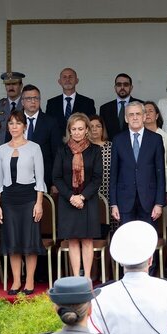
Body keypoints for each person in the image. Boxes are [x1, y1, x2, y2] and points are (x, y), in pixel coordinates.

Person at [0, 110, 46, 295]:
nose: (14, 127)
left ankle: (29, 280)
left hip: (29, 198)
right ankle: (16, 281)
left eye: (18, 123)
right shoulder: (1, 149)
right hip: (8, 199)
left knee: (29, 242)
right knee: (12, 241)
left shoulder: (34, 148)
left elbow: (40, 178)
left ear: (25, 126)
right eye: (11, 123)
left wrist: (39, 203)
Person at [54, 113, 103, 281]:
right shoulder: (62, 150)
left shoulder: (95, 150)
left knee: (87, 240)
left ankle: (87, 279)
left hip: (88, 201)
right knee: (73, 240)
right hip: (68, 201)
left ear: (87, 130)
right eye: (73, 129)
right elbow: (56, 177)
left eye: (80, 129)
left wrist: (82, 197)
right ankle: (76, 278)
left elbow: (97, 178)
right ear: (69, 130)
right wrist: (71, 197)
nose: (77, 132)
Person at [110, 101, 165, 227]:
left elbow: (160, 173)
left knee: (147, 236)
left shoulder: (156, 139)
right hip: (124, 200)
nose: (135, 117)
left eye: (138, 114)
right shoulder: (118, 140)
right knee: (127, 236)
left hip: (149, 200)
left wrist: (159, 203)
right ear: (126, 118)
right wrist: (114, 204)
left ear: (144, 116)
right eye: (131, 114)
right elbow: (113, 174)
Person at [14, 85, 63, 191]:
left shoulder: (51, 122)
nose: (33, 101)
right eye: (29, 98)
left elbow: (57, 154)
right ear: (22, 102)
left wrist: (55, 182)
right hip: (17, 177)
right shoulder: (15, 121)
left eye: (36, 98)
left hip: (44, 178)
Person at [99, 73, 141, 140]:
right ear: (115, 88)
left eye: (126, 84)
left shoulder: (141, 105)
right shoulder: (105, 108)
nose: (122, 87)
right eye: (119, 85)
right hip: (112, 145)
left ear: (131, 87)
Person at [0, 70, 25, 144]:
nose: (11, 87)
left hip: (23, 148)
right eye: (7, 84)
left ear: (21, 86)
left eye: (14, 84)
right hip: (3, 149)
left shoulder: (28, 105)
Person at [87, 115, 113, 203]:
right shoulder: (83, 148)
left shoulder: (111, 147)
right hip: (88, 193)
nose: (94, 129)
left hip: (109, 191)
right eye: (91, 126)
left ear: (103, 129)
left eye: (98, 126)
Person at [143, 101, 167, 174]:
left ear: (157, 116)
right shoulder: (137, 138)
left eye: (151, 111)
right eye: (144, 111)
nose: (147, 114)